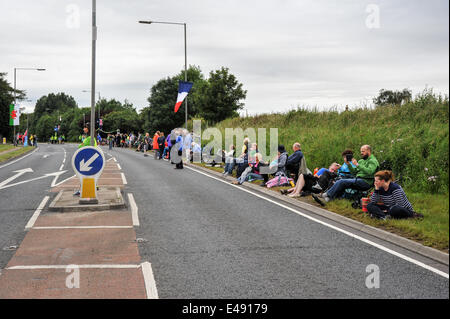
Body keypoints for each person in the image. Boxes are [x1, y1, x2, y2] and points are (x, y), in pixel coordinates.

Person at [312, 145, 379, 204]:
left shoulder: (373, 161)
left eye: (363, 151)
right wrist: (349, 164)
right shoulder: (361, 161)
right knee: (341, 182)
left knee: (341, 181)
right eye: (361, 151)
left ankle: (325, 195)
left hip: (366, 182)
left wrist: (357, 165)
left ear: (368, 151)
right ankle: (328, 199)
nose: (361, 153)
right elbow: (354, 172)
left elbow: (370, 171)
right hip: (357, 179)